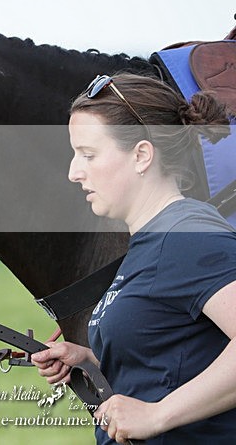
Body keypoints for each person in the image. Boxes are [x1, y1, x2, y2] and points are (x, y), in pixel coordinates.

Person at [31, 73, 236, 443]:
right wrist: (91, 360)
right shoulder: (151, 240)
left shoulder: (190, 238)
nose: (74, 172)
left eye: (88, 155)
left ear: (141, 155)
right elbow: (172, 352)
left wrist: (157, 415)